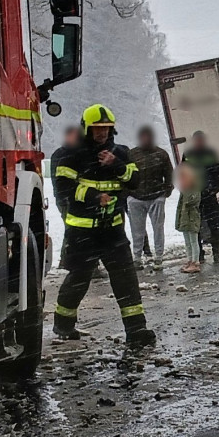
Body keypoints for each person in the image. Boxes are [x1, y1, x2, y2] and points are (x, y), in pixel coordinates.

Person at [51, 104, 155, 350]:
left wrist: (116, 165)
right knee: (79, 279)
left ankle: (136, 331)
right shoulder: (68, 154)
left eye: (106, 128)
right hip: (82, 231)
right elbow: (63, 188)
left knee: (126, 279)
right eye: (97, 129)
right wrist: (93, 196)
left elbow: (135, 180)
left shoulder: (120, 152)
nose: (102, 133)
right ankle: (63, 323)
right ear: (87, 128)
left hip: (113, 230)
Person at [126, 124, 174, 269]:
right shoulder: (132, 155)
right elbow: (125, 174)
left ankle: (158, 257)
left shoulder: (161, 154)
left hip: (156, 196)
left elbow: (169, 173)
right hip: (136, 197)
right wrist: (127, 193)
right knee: (137, 230)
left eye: (148, 136)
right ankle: (137, 258)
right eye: (143, 136)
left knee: (158, 228)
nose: (145, 139)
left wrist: (166, 191)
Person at [181, 130, 219, 266]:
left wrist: (213, 189)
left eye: (201, 140)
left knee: (214, 226)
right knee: (196, 227)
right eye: (197, 140)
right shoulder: (188, 155)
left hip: (209, 197)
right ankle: (199, 254)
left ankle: (216, 253)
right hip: (195, 198)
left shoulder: (211, 154)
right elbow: (184, 173)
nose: (199, 143)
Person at [174, 156, 206, 272]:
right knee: (188, 241)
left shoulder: (194, 188)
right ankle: (189, 259)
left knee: (193, 241)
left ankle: (195, 261)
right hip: (185, 219)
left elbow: (193, 201)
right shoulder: (184, 191)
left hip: (191, 218)